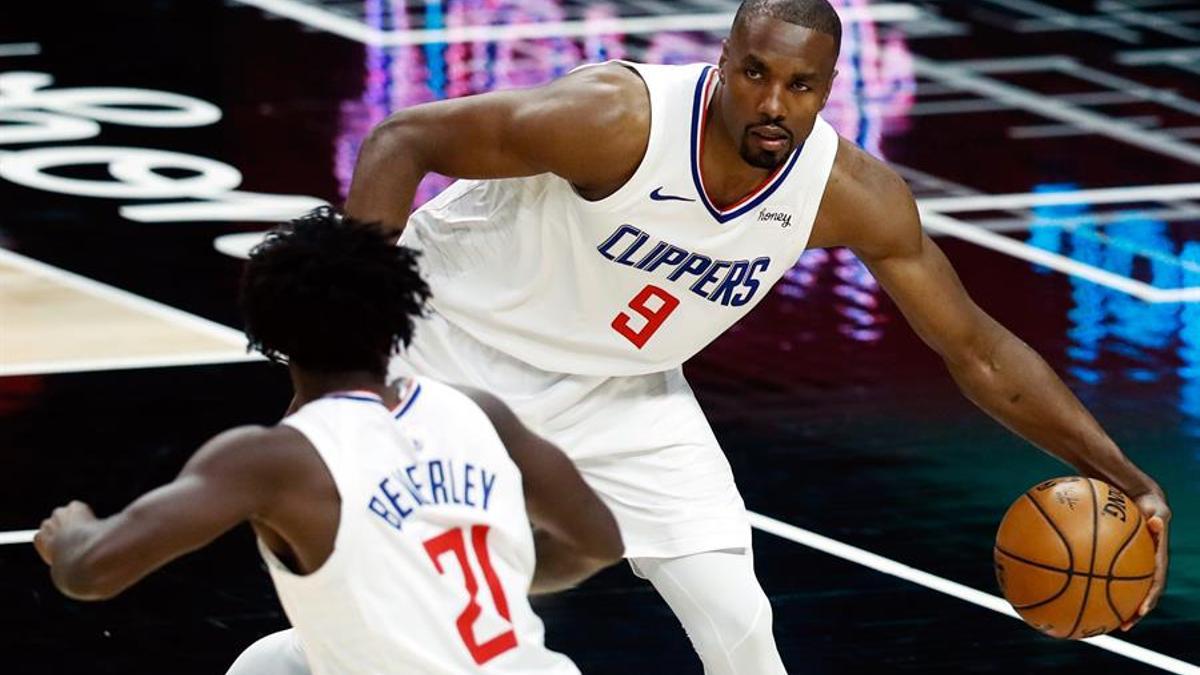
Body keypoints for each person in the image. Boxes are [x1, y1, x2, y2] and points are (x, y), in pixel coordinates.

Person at [272, 0, 1172, 671]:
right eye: (756, 74)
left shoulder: (845, 193)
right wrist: (346, 350)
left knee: (739, 622)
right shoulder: (617, 121)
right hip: (452, 343)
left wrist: (1121, 475)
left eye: (801, 85)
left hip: (623, 387)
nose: (773, 101)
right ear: (725, 61)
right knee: (413, 619)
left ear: (829, 89)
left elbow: (975, 349)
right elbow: (400, 139)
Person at [34, 209, 624, 674]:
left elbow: (90, 573)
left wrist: (73, 532)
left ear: (266, 333)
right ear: (402, 316)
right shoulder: (478, 412)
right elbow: (597, 542)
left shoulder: (273, 461)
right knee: (272, 663)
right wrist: (449, 588)